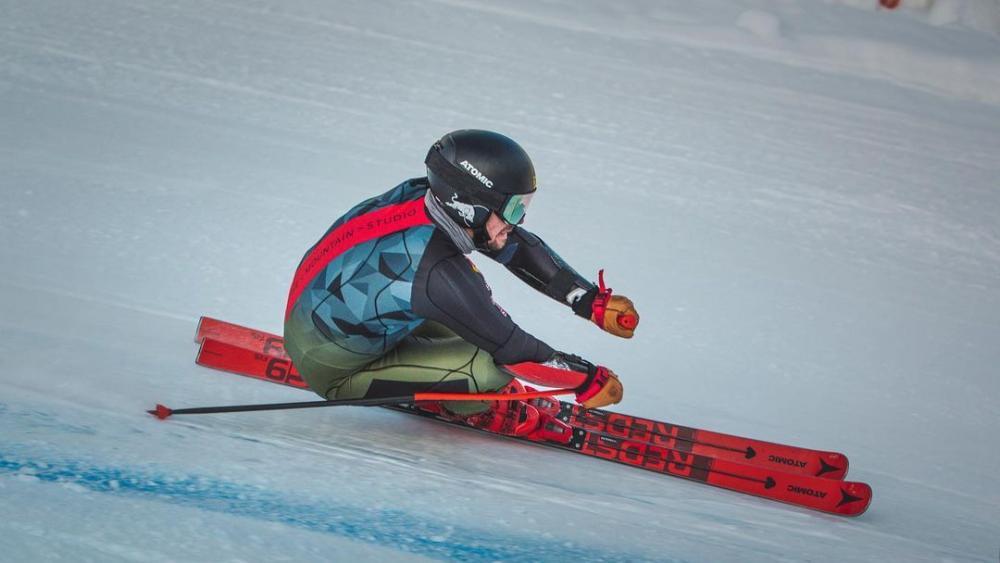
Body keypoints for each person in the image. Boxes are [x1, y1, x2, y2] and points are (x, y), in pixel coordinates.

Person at [283, 129, 639, 437]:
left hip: (322, 315)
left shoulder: (423, 196)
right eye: (514, 209)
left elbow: (514, 247)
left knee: (468, 314)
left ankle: (424, 364)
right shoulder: (435, 270)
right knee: (485, 366)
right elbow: (514, 351)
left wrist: (589, 301)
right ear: (471, 207)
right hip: (332, 369)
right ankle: (477, 406)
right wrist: (587, 380)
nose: (518, 220)